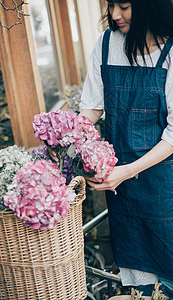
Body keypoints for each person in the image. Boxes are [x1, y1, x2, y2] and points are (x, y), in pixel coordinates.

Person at [79, 0, 173, 297]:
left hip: (163, 185)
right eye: (111, 5)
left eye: (124, 6)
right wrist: (68, 135)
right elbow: (92, 107)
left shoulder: (170, 51)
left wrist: (128, 171)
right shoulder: (107, 43)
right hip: (120, 188)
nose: (115, 15)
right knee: (138, 279)